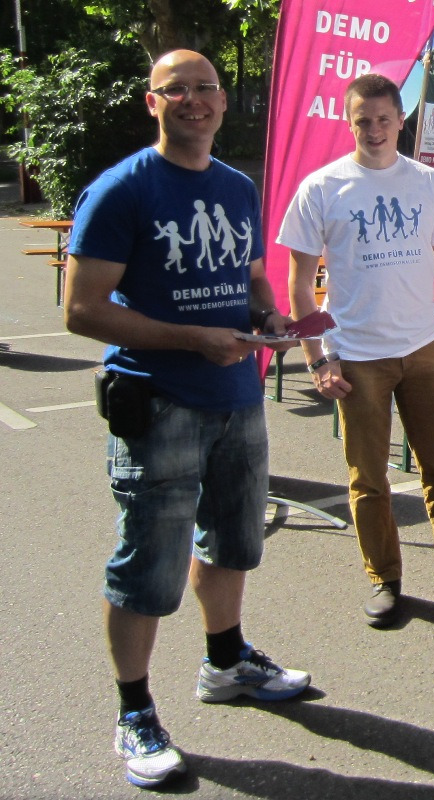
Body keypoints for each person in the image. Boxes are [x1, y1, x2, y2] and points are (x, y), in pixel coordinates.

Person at [64, 49, 310, 789]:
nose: (195, 101)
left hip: (237, 398)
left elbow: (253, 273)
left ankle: (226, 661)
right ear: (153, 102)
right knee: (148, 568)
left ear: (224, 101)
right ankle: (134, 713)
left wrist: (268, 315)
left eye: (206, 89)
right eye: (179, 90)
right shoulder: (120, 192)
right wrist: (191, 339)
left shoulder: (237, 187)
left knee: (235, 544)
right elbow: (81, 310)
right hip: (158, 404)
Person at [278, 73, 434, 629]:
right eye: (363, 120)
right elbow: (298, 286)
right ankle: (384, 579)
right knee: (369, 479)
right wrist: (318, 358)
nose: (374, 129)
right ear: (349, 121)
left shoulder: (428, 184)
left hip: (425, 351)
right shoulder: (321, 188)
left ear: (400, 121)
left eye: (384, 119)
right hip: (357, 355)